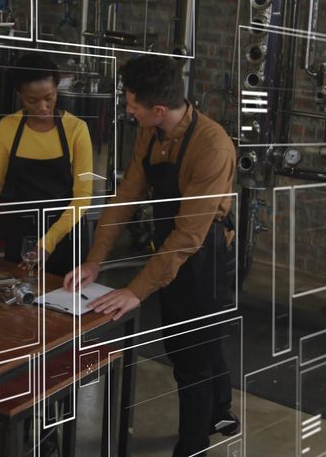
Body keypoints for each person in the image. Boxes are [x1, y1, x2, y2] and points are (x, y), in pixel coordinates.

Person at [63, 54, 239, 456]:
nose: (127, 110)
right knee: (191, 344)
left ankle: (192, 446)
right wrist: (95, 259)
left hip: (205, 252)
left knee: (192, 358)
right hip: (171, 242)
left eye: (132, 105)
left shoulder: (212, 146)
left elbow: (188, 237)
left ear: (158, 109)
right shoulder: (151, 130)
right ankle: (221, 409)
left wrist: (136, 291)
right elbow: (126, 196)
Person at [0, 53, 94, 275]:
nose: (43, 107)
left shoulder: (76, 129)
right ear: (20, 96)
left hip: (65, 237)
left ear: (56, 89)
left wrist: (47, 243)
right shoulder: (8, 126)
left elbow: (83, 197)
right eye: (32, 100)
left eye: (49, 97)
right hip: (21, 236)